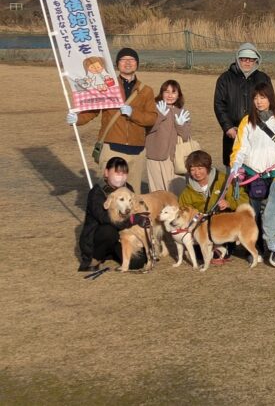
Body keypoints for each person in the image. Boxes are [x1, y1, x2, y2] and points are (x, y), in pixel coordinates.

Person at [67, 47, 157, 192]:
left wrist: (133, 113)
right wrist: (77, 119)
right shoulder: (108, 86)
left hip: (137, 150)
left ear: (137, 64)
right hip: (111, 146)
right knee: (110, 191)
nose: (127, 63)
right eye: (123, 60)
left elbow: (151, 118)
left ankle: (131, 216)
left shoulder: (146, 90)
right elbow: (93, 110)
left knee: (132, 195)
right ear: (117, 64)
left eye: (132, 60)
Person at [229, 82, 275, 244]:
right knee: (255, 213)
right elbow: (241, 147)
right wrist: (236, 165)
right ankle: (256, 246)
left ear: (270, 98)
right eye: (256, 98)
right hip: (254, 174)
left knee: (274, 211)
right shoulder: (247, 121)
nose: (259, 101)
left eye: (263, 97)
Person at [77, 157, 149, 272]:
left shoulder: (128, 189)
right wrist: (132, 219)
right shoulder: (97, 192)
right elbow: (105, 218)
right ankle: (95, 258)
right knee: (108, 230)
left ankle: (114, 254)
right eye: (117, 172)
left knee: (137, 263)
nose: (120, 177)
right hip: (100, 237)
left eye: (124, 173)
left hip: (121, 236)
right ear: (106, 172)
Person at [213, 43, 272, 168]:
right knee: (234, 172)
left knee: (257, 173)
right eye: (244, 59)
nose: (247, 62)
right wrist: (227, 127)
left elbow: (270, 103)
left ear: (256, 60)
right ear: (237, 59)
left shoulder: (263, 78)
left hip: (258, 132)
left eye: (251, 59)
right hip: (233, 133)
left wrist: (265, 125)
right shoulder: (225, 79)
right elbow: (219, 104)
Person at [144, 79, 191, 193]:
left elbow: (185, 137)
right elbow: (148, 130)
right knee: (158, 192)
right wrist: (159, 116)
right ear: (162, 93)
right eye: (167, 92)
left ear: (178, 95)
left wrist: (180, 125)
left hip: (175, 158)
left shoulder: (182, 112)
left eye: (173, 92)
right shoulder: (153, 108)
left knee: (176, 191)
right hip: (156, 156)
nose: (170, 95)